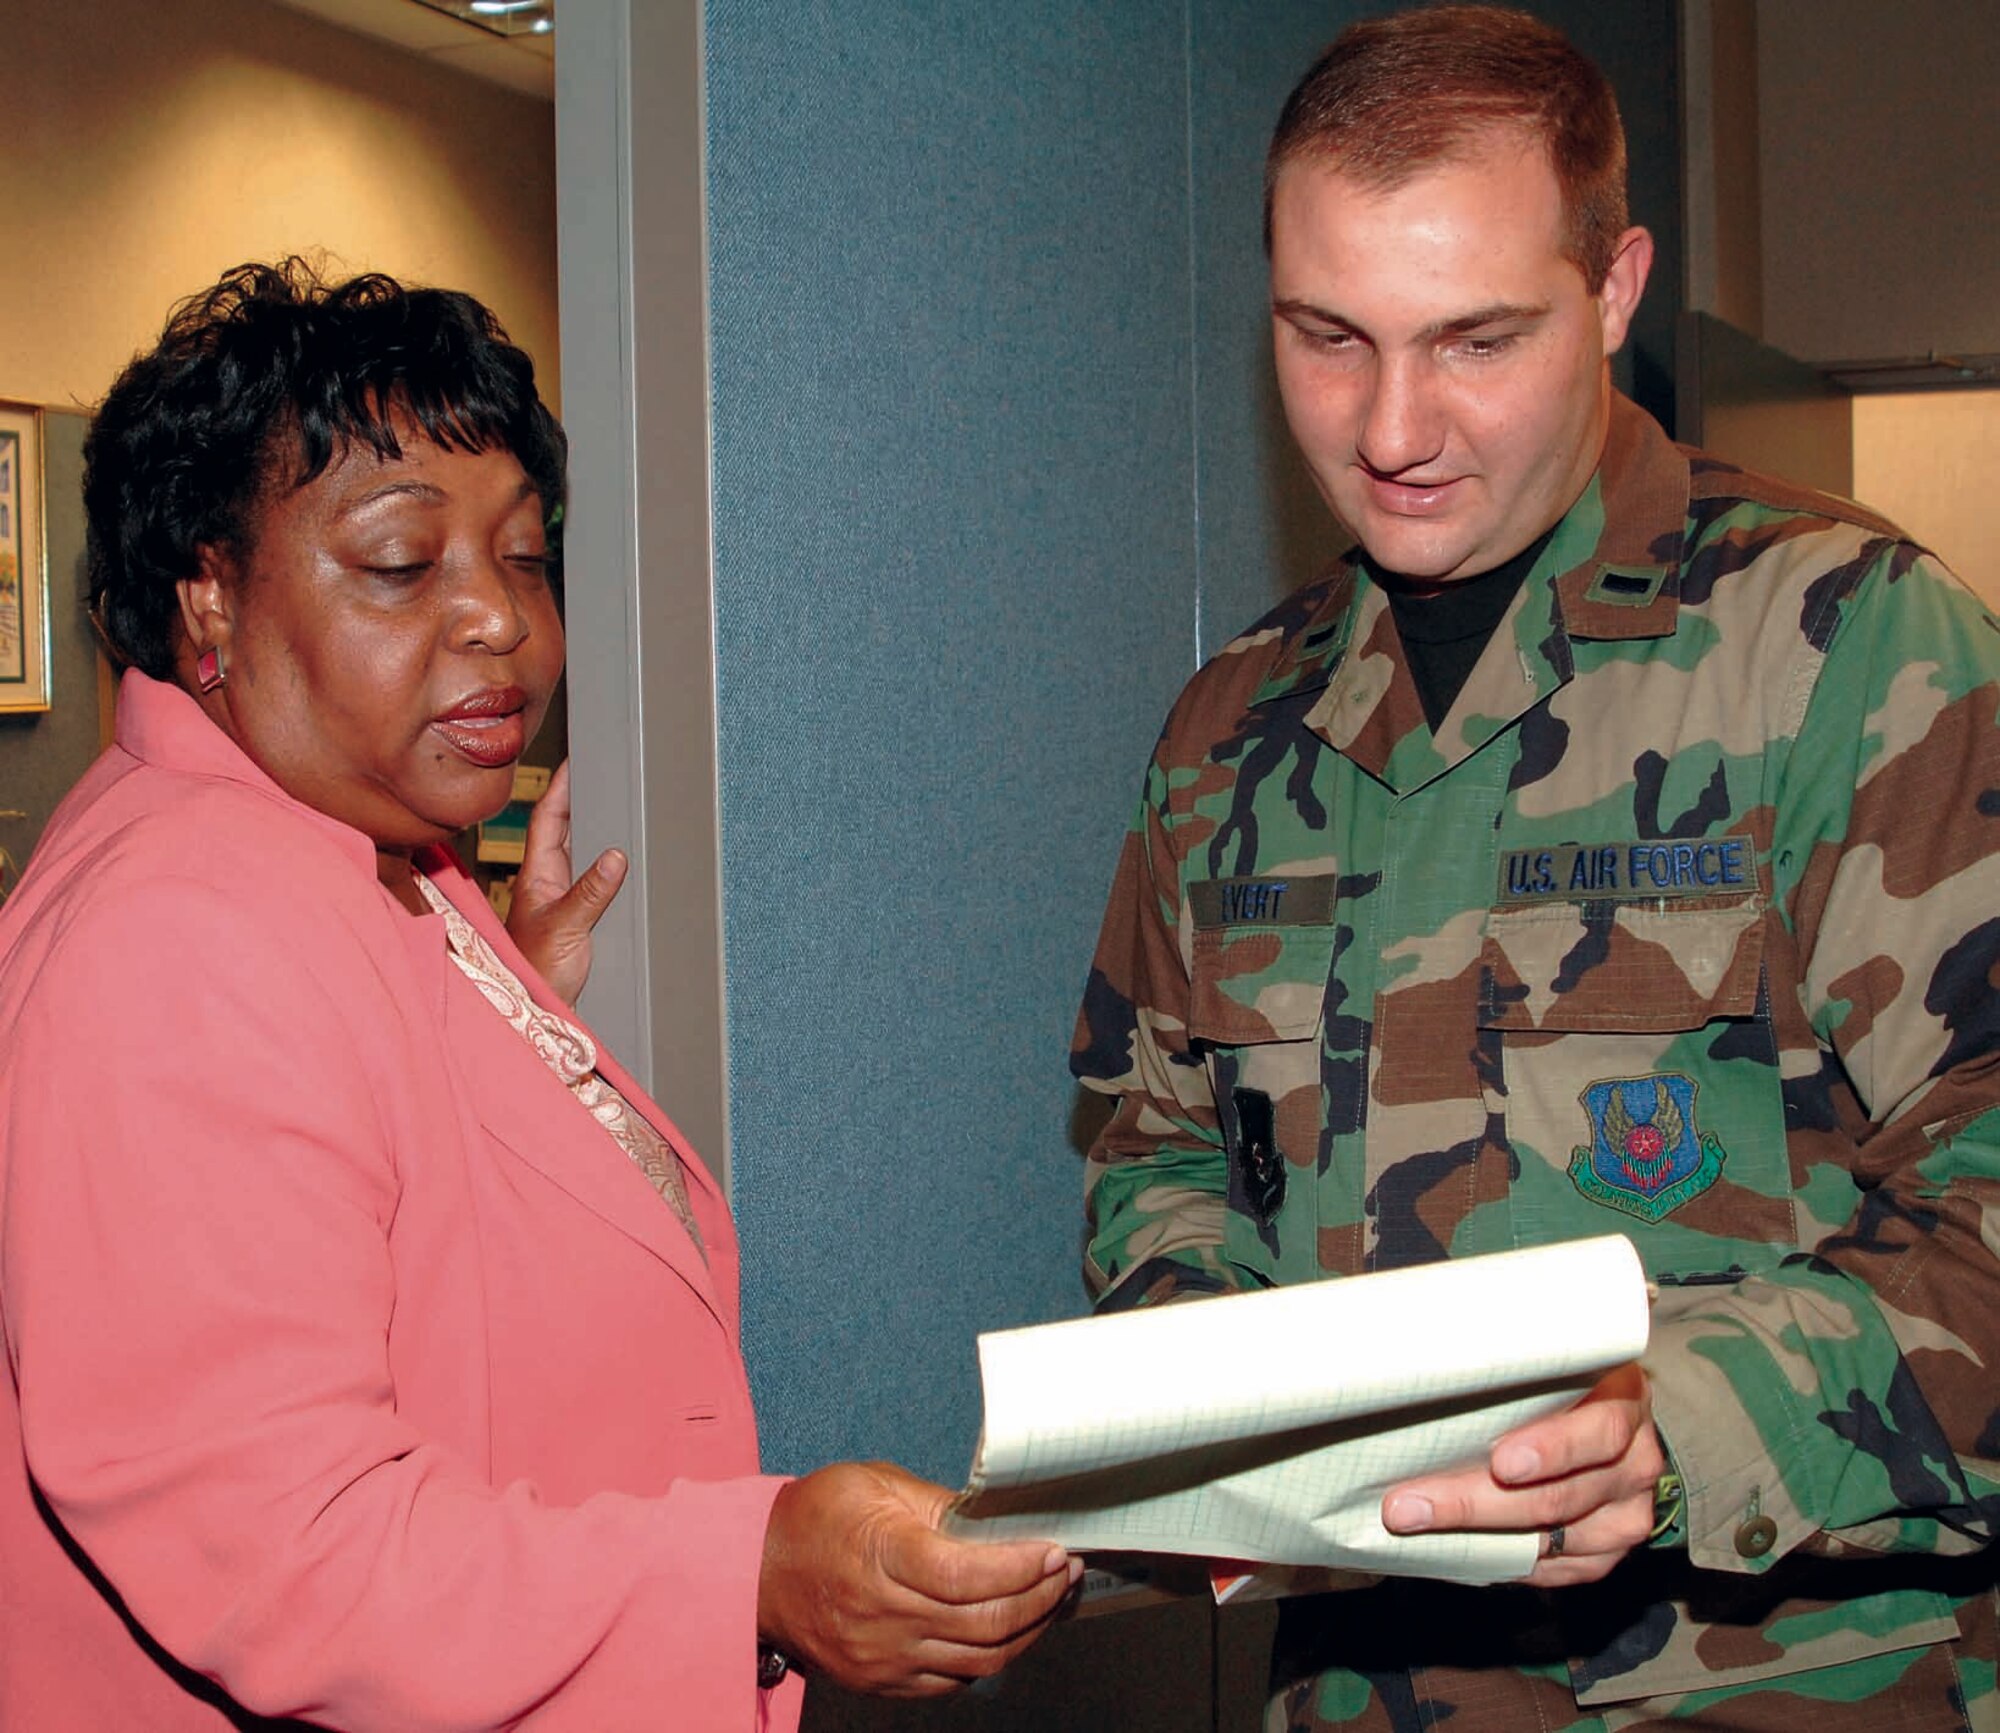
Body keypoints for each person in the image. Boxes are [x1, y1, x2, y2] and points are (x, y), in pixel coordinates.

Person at [1070, 7, 2000, 1728]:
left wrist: (1679, 1428)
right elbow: (1155, 1150)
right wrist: (1202, 1395)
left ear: (1617, 288)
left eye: (1475, 340)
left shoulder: (1845, 648)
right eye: (1325, 336)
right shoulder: (1227, 732)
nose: (1393, 425)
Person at [0, 261, 1077, 1731]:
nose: (500, 618)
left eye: (522, 555)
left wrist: (493, 1007)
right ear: (210, 594)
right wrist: (743, 1573)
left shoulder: (370, 862)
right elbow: (289, 1543)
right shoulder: (183, 929)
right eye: (400, 563)